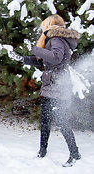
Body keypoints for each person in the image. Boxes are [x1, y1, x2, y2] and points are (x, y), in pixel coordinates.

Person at [9, 14, 81, 167]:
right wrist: (22, 58)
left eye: (44, 25)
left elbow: (55, 58)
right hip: (51, 86)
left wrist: (34, 49)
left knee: (61, 121)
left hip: (58, 86)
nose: (42, 28)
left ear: (50, 25)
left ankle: (75, 154)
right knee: (46, 120)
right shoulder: (55, 39)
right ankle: (42, 151)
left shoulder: (56, 39)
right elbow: (43, 60)